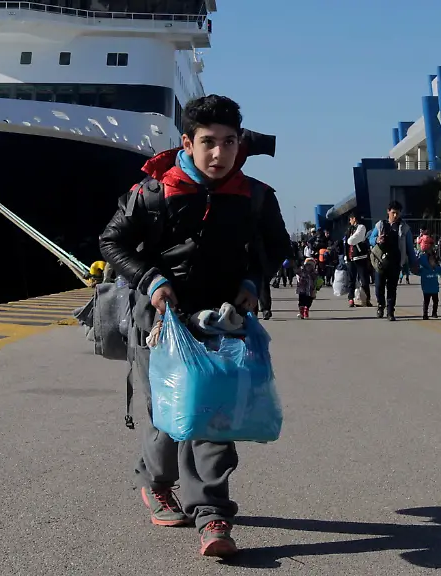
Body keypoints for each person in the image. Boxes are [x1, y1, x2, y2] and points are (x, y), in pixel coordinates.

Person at [98, 95, 288, 558]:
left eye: (228, 142)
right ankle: (157, 481)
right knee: (169, 415)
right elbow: (111, 240)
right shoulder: (154, 192)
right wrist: (151, 279)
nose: (219, 154)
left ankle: (212, 514)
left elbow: (278, 245)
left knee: (211, 416)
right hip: (161, 319)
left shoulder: (256, 196)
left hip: (223, 320)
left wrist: (252, 281)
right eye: (208, 143)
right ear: (187, 142)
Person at [367, 201, 417, 321]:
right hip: (380, 261)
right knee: (379, 286)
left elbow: (410, 247)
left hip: (395, 261)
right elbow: (370, 239)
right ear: (388, 211)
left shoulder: (404, 228)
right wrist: (377, 239)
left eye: (397, 213)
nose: (395, 216)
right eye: (393, 213)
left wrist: (413, 263)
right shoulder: (380, 225)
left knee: (392, 288)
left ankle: (390, 311)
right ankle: (380, 305)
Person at [345, 214, 371, 307]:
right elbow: (346, 244)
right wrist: (346, 256)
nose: (349, 221)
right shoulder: (349, 229)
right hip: (351, 258)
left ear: (354, 218)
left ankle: (366, 299)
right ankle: (351, 298)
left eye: (350, 219)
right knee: (351, 279)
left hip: (361, 257)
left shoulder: (361, 227)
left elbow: (351, 241)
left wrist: (349, 240)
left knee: (364, 279)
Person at [415, 250, 441, 319]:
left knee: (436, 301)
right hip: (426, 289)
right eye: (431, 260)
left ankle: (434, 312)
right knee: (426, 302)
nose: (433, 262)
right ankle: (425, 314)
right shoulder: (423, 270)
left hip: (434, 289)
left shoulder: (436, 269)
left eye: (434, 260)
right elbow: (415, 270)